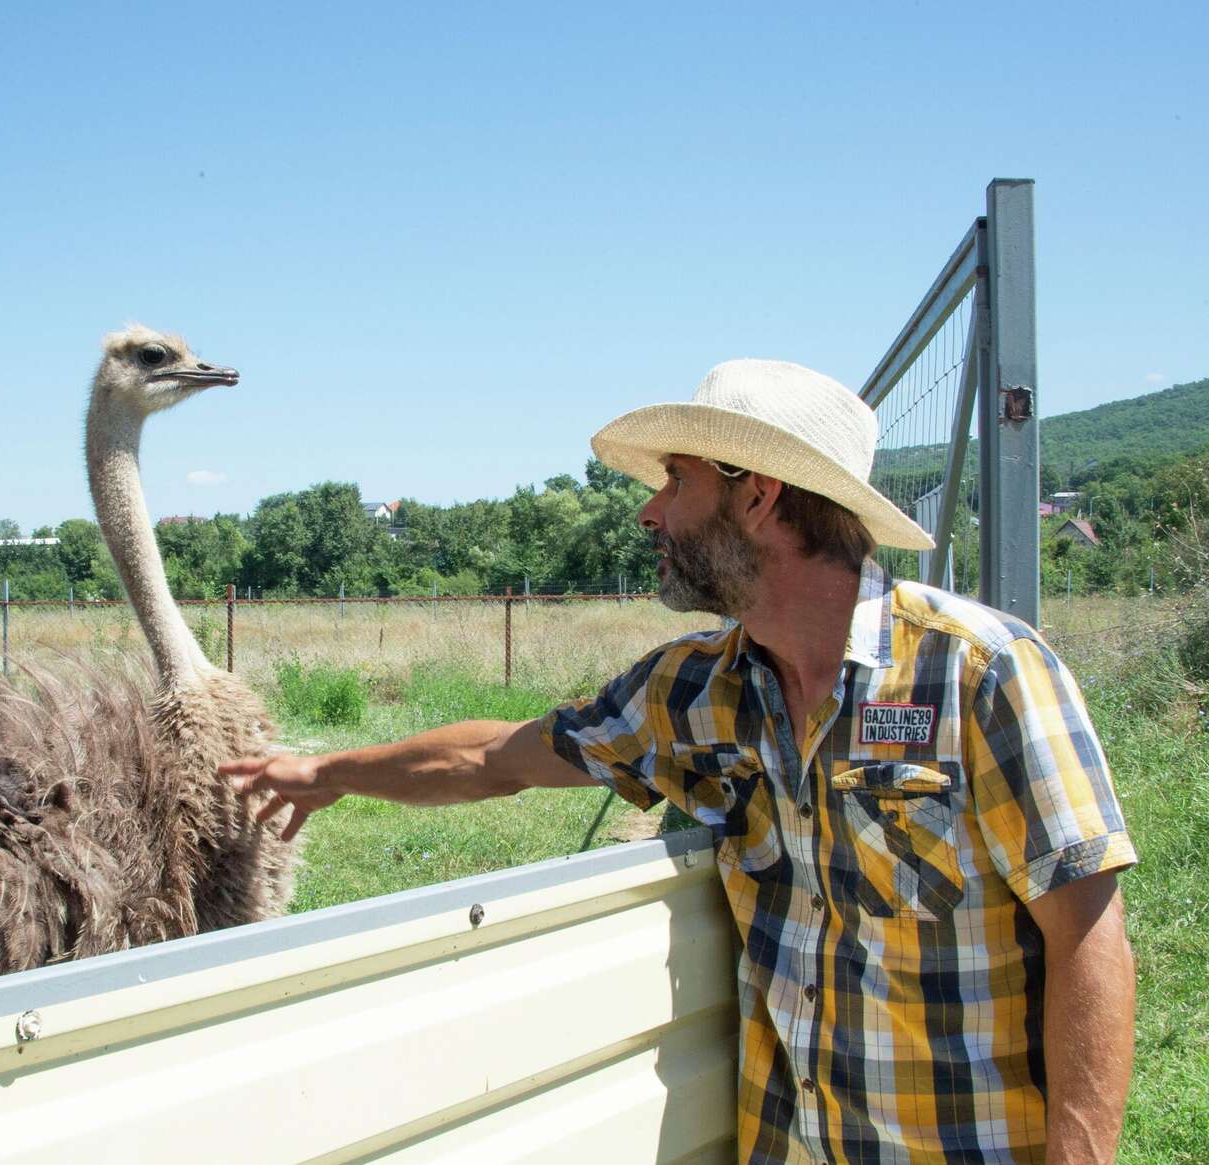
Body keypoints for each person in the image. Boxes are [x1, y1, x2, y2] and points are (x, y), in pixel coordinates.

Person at [221, 359, 1137, 1165]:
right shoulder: (691, 692)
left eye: (676, 480)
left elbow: (1088, 941)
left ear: (757, 494)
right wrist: (329, 770)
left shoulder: (982, 672)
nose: (650, 510)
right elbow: (495, 756)